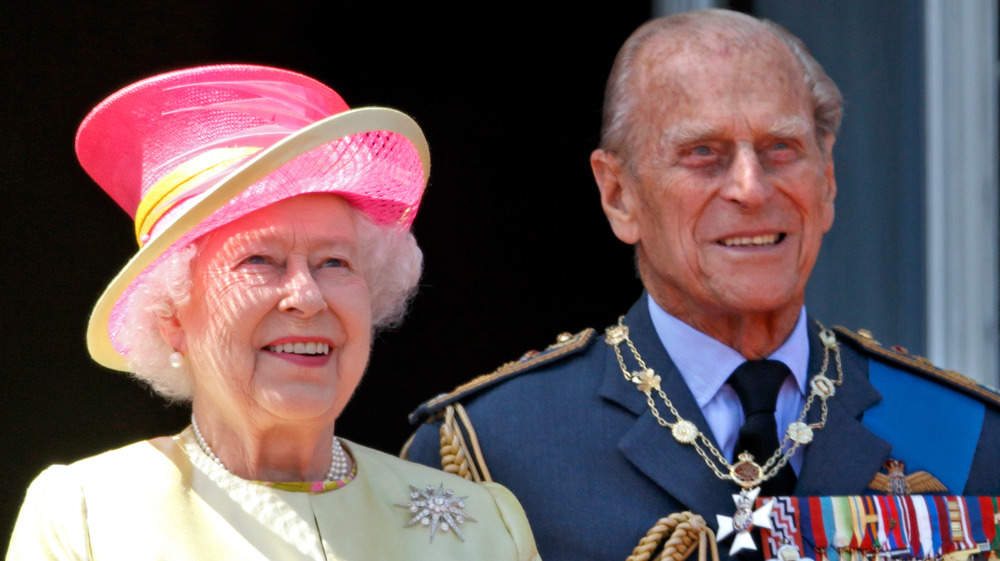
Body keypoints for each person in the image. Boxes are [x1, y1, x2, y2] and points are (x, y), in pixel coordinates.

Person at [405, 9, 1000, 561]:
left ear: (828, 180)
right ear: (619, 196)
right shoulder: (493, 451)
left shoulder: (965, 434)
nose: (752, 188)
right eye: (703, 153)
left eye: (781, 149)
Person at [7, 64, 539, 561]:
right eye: (260, 260)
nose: (307, 297)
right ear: (171, 314)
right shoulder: (86, 516)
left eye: (335, 262)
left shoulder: (484, 525)